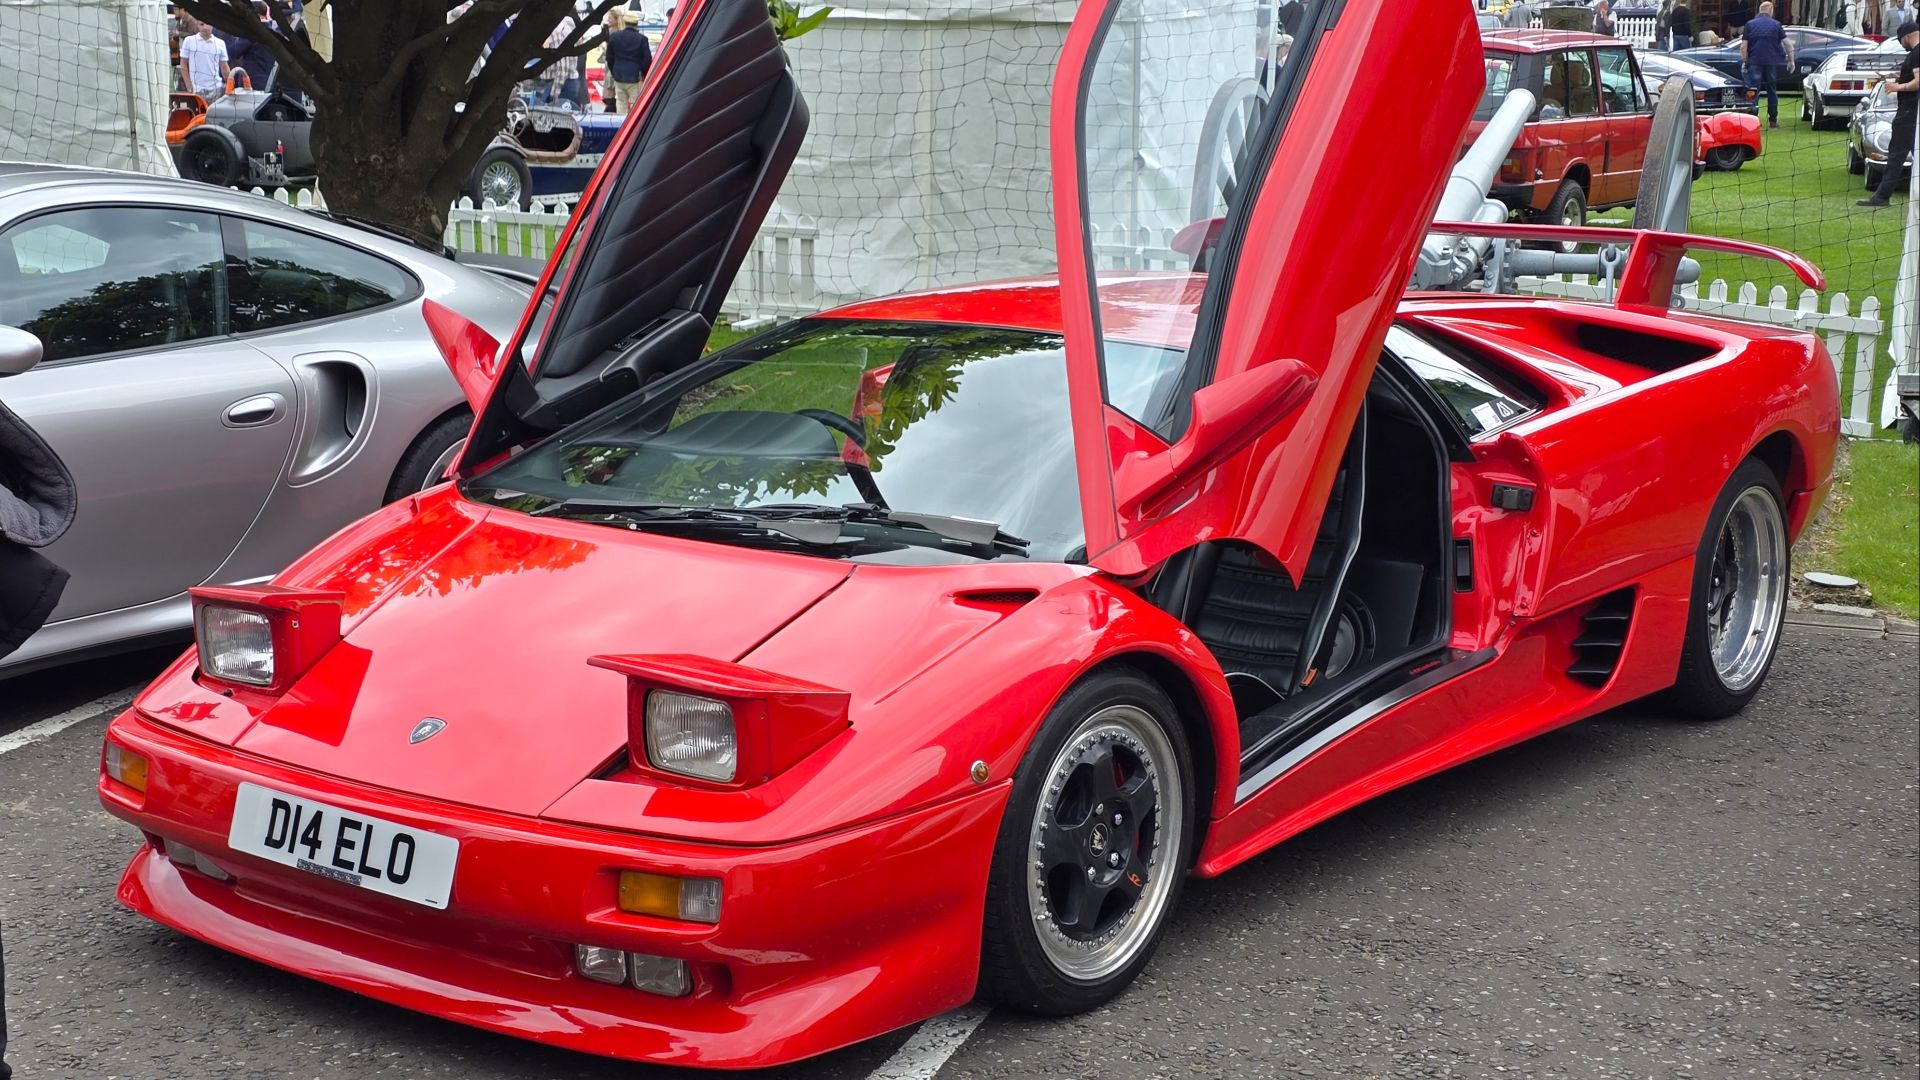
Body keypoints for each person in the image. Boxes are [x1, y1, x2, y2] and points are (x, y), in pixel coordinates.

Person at [1859, 21, 1919, 206]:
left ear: (1907, 36)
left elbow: (1918, 82)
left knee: (1896, 155)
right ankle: (1882, 196)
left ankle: (1881, 197)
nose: (1901, 45)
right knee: (1900, 154)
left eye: (1900, 41)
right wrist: (1897, 78)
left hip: (1909, 112)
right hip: (1912, 111)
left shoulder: (1916, 53)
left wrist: (1897, 87)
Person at [1740, 1, 1792, 127]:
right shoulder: (1776, 24)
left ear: (1760, 10)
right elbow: (1788, 44)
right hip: (1771, 62)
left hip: (1754, 61)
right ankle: (1773, 121)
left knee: (1753, 91)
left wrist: (1745, 60)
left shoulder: (1750, 24)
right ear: (1771, 10)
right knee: (1772, 91)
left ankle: (1753, 121)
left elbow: (1743, 46)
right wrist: (1791, 60)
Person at [605, 8, 653, 113]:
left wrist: (614, 70)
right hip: (635, 76)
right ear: (636, 24)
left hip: (618, 75)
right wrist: (643, 73)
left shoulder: (614, 37)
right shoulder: (642, 39)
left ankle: (621, 121)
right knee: (635, 103)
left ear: (625, 22)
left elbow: (609, 57)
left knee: (620, 102)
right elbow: (647, 60)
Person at [177, 16, 231, 98]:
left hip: (217, 88)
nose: (205, 27)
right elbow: (183, 64)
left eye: (208, 24)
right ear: (197, 25)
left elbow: (224, 67)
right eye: (201, 24)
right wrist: (189, 86)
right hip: (196, 90)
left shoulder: (220, 43)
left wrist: (230, 84)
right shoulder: (189, 41)